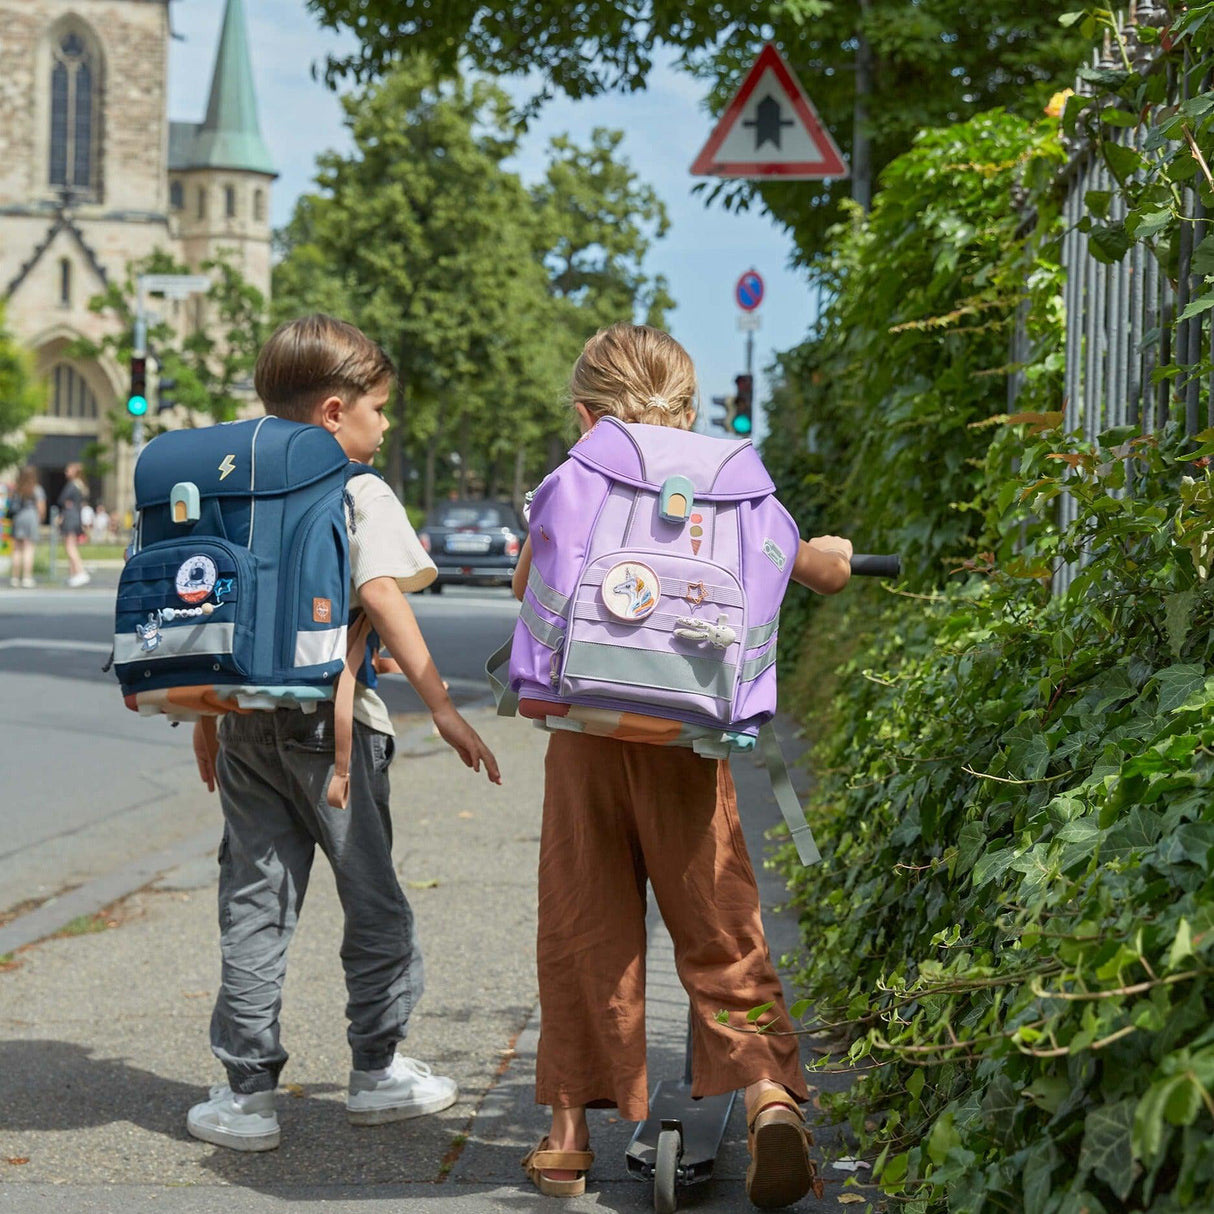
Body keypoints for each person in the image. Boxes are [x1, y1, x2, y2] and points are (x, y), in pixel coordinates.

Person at [512, 324, 853, 1209]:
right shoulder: (735, 480)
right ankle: (769, 1096)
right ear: (691, 410)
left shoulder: (579, 472)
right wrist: (839, 560)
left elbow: (529, 585)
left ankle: (566, 1140)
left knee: (582, 925)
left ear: (585, 413)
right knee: (718, 923)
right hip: (689, 742)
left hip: (587, 735)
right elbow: (811, 569)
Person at [186, 314, 502, 1152]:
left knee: (254, 904)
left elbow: (212, 608)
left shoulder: (231, 487)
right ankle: (376, 1071)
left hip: (246, 720)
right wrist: (441, 704)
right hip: (339, 738)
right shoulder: (358, 487)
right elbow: (388, 595)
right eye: (379, 408)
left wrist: (204, 718)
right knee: (373, 899)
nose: (385, 424)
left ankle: (245, 1097)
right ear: (334, 411)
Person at [7, 466, 45, 589]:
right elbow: (41, 507)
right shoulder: (36, 489)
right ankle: (27, 578)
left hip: (18, 518)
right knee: (28, 549)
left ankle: (15, 577)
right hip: (31, 517)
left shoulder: (17, 489)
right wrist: (41, 520)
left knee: (17, 549)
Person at [57, 462, 89, 587]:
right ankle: (73, 574)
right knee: (71, 545)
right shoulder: (80, 486)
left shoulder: (71, 485)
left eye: (68, 470)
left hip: (70, 517)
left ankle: (80, 572)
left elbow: (61, 499)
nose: (66, 472)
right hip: (76, 517)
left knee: (70, 547)